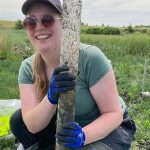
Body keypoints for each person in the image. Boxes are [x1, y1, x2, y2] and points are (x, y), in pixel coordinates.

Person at [10, 0, 136, 149]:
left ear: (64, 23)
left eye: (47, 19)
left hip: (107, 126)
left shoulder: (90, 57)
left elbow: (113, 114)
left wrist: (83, 136)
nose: (38, 27)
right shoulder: (27, 67)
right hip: (64, 125)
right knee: (18, 120)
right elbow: (32, 125)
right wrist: (51, 98)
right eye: (31, 21)